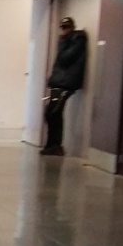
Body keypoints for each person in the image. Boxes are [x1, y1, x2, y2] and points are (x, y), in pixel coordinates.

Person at [42, 16, 88, 156]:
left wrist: (62, 41)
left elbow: (64, 58)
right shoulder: (69, 40)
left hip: (66, 83)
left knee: (53, 112)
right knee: (51, 113)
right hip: (59, 82)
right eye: (62, 27)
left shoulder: (77, 39)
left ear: (72, 27)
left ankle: (56, 145)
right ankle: (52, 144)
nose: (64, 30)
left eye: (67, 27)